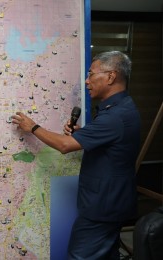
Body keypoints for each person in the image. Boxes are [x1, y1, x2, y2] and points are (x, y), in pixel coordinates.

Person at [12, 51, 140, 259]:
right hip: (112, 203)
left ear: (110, 76)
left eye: (91, 74)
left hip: (102, 209)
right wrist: (83, 135)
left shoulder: (115, 116)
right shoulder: (122, 108)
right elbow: (112, 144)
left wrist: (32, 127)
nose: (87, 81)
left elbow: (64, 145)